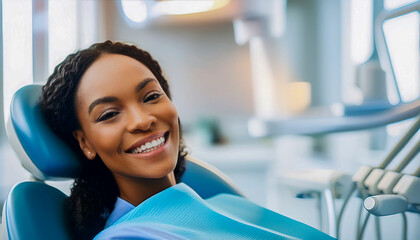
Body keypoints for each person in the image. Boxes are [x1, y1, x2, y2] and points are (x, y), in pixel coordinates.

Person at [40, 41, 335, 240]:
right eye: (109, 114)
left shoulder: (225, 204)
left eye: (152, 96)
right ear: (85, 143)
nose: (143, 120)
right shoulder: (130, 236)